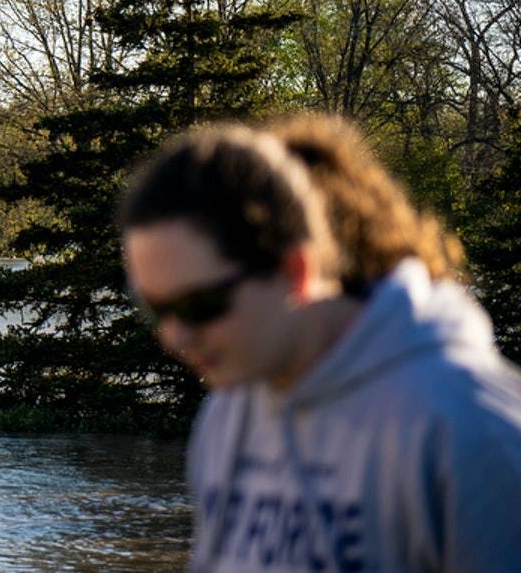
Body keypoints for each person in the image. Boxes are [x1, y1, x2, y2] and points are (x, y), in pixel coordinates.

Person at [118, 117, 521, 573]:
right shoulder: (229, 414)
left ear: (296, 271)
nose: (174, 337)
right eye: (156, 308)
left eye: (202, 304)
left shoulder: (474, 432)